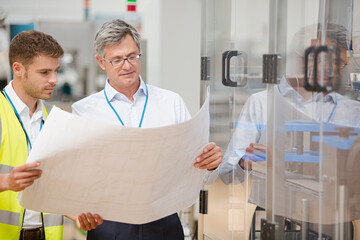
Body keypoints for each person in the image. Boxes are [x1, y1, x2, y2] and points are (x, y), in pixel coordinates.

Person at [72, 19, 222, 240]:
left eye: (132, 56)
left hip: (163, 222)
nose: (127, 65)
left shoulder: (170, 103)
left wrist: (210, 165)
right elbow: (78, 178)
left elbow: (200, 175)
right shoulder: (85, 112)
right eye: (116, 59)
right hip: (109, 225)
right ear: (101, 62)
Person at [219, 23, 360, 238]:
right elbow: (227, 173)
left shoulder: (352, 111)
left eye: (338, 63)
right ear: (297, 57)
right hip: (276, 219)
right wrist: (245, 161)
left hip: (333, 221)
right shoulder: (262, 102)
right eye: (320, 58)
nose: (329, 69)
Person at [0, 30, 103, 240]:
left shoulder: (54, 119)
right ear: (18, 69)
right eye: (44, 72)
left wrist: (73, 212)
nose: (54, 79)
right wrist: (5, 182)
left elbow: (50, 185)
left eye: (56, 70)